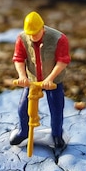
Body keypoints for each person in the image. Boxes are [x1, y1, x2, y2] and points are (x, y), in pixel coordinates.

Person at [11, 11, 71, 150]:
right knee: (23, 108)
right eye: (30, 33)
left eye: (35, 33)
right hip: (32, 80)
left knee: (56, 109)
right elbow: (19, 58)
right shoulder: (22, 38)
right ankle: (23, 132)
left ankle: (56, 134)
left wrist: (50, 79)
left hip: (53, 82)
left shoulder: (59, 39)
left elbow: (62, 61)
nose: (32, 36)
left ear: (42, 28)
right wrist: (22, 76)